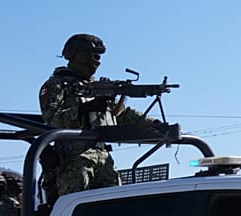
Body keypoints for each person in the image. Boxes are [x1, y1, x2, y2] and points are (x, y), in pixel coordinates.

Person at [38, 33, 165, 200]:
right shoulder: (57, 84)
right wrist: (83, 109)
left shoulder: (96, 86)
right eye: (93, 55)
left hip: (102, 155)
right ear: (78, 55)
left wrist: (153, 124)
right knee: (76, 205)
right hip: (75, 159)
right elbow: (52, 118)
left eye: (99, 56)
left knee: (114, 203)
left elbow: (121, 113)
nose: (97, 60)